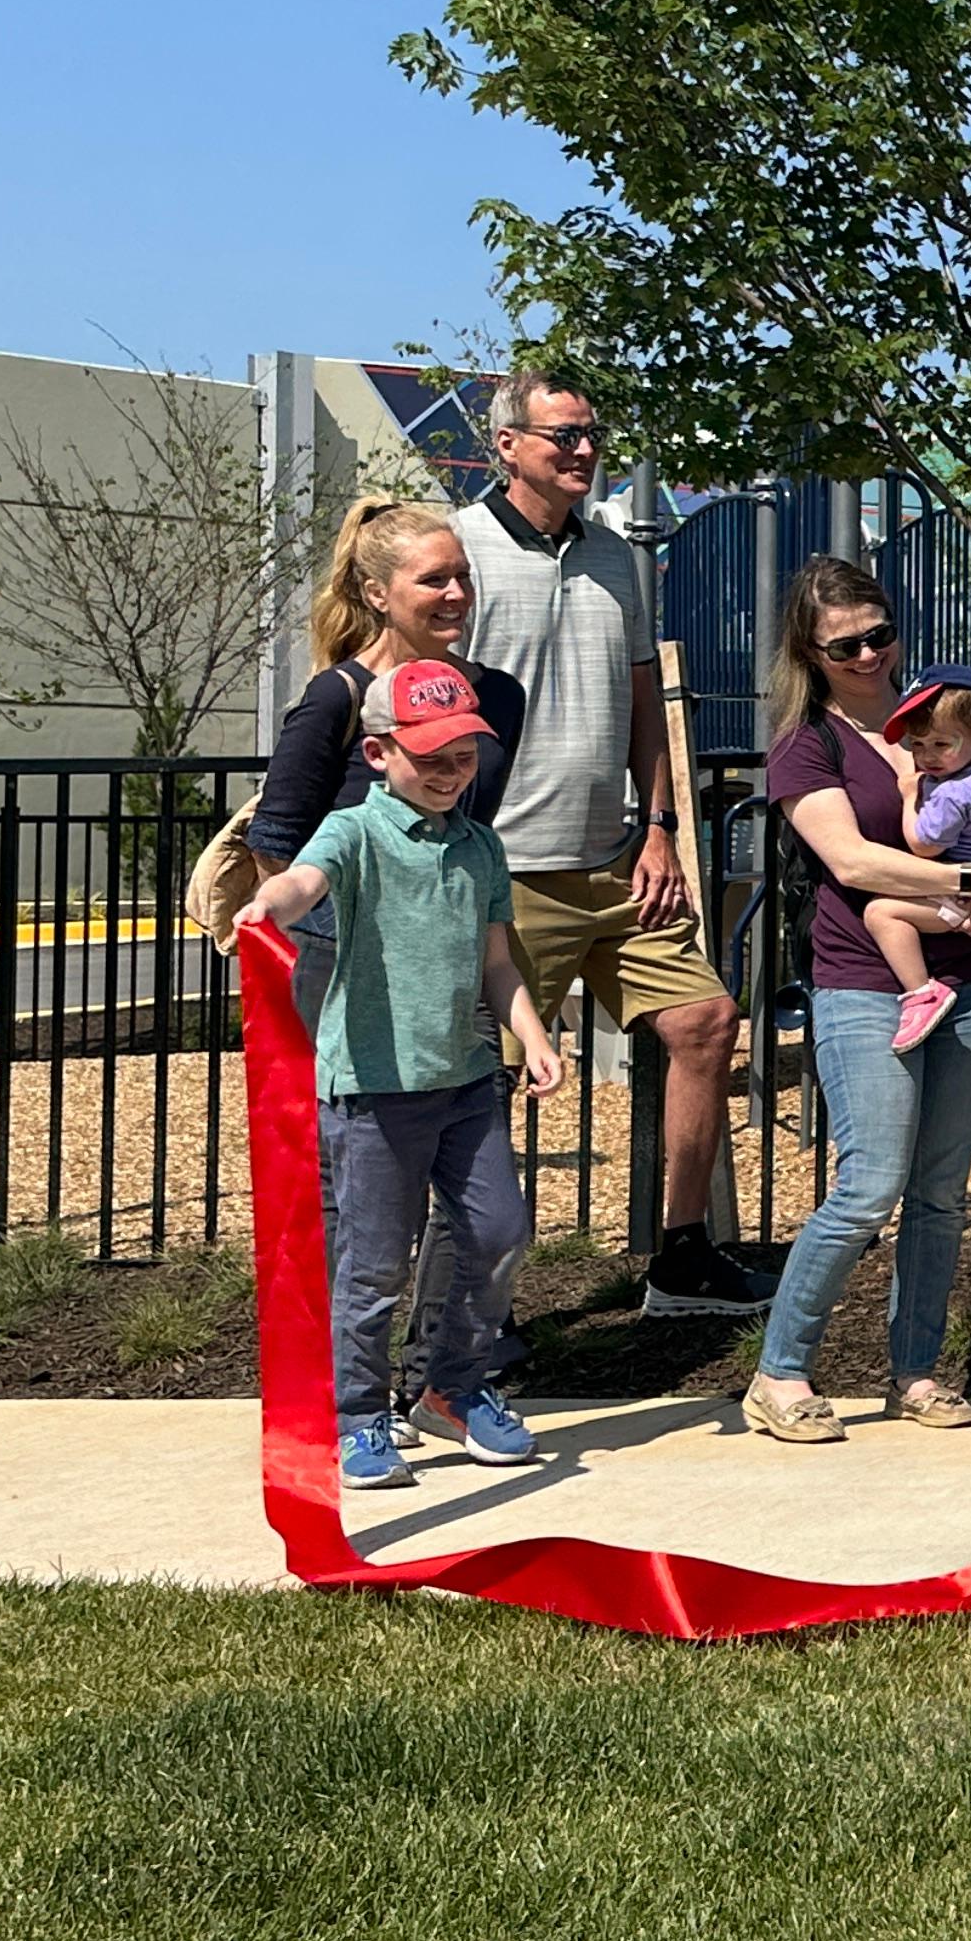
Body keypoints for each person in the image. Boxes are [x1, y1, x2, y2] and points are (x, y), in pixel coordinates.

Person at [451, 373, 754, 1316]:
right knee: (483, 1082)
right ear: (507, 445)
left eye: (591, 436)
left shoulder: (618, 556)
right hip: (504, 869)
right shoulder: (456, 552)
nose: (582, 451)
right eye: (562, 436)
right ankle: (468, 1309)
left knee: (706, 1023)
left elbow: (641, 703)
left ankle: (681, 1258)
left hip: (618, 860)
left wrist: (658, 826)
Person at [244, 660, 566, 1492]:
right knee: (374, 1263)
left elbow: (498, 962)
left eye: (464, 756)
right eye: (432, 757)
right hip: (375, 1092)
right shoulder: (354, 832)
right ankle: (356, 1416)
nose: (452, 772)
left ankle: (453, 1388)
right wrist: (269, 905)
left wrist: (530, 1035)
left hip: (466, 1083)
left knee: (498, 1235)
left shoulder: (480, 845)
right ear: (381, 753)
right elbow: (304, 880)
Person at [743, 562, 971, 1444]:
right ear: (811, 651)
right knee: (869, 1185)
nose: (870, 653)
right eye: (847, 643)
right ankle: (780, 1371)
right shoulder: (807, 744)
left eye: (881, 633)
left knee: (942, 1191)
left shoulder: (942, 719)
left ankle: (916, 1369)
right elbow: (855, 864)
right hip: (867, 984)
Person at [249, 500, 530, 882]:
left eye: (463, 576)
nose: (458, 594)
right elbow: (275, 843)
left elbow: (475, 831)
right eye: (434, 580)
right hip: (347, 936)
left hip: (457, 930)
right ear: (377, 594)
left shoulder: (499, 696)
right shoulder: (339, 695)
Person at [851, 669, 971, 1053]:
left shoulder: (953, 793)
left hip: (970, 895)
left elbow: (923, 845)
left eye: (941, 743)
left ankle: (921, 992)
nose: (927, 757)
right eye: (917, 745)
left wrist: (909, 797)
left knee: (881, 914)